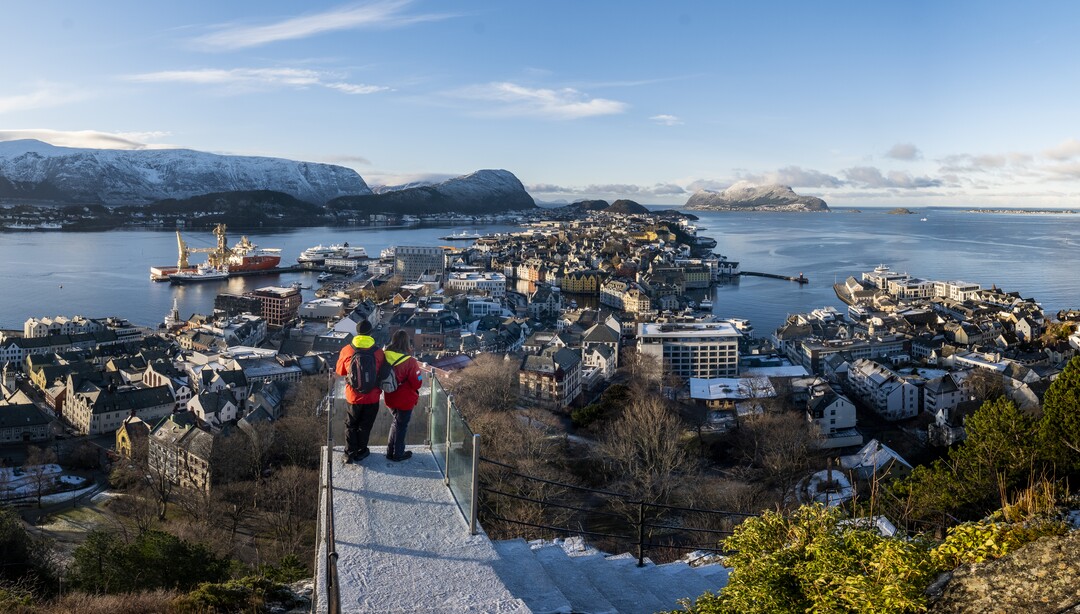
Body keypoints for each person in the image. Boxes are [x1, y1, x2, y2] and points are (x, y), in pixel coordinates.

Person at [335, 320, 383, 463]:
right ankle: (362, 451)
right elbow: (382, 373)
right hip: (372, 397)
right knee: (365, 425)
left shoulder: (347, 350)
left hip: (353, 396)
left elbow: (340, 371)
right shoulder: (378, 352)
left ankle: (349, 453)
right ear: (370, 333)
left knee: (351, 424)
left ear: (357, 332)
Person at [382, 330, 423, 462]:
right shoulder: (410, 361)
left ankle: (390, 451)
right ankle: (398, 453)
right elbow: (417, 383)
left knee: (396, 423)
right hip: (405, 400)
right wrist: (420, 374)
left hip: (389, 396)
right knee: (401, 425)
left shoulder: (384, 356)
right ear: (407, 343)